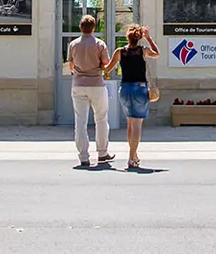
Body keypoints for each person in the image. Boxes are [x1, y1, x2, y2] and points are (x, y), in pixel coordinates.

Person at [105, 24, 161, 169]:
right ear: (139, 37)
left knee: (130, 124)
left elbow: (107, 68)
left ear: (127, 37)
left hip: (124, 89)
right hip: (139, 89)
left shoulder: (120, 51)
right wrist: (148, 37)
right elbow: (157, 53)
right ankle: (131, 157)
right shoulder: (143, 51)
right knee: (137, 125)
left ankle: (134, 155)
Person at [66, 14, 113, 167]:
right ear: (94, 27)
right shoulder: (100, 44)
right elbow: (106, 64)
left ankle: (83, 156)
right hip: (97, 84)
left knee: (80, 121)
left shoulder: (73, 44)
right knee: (101, 118)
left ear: (81, 27)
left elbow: (71, 66)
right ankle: (102, 152)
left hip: (79, 84)